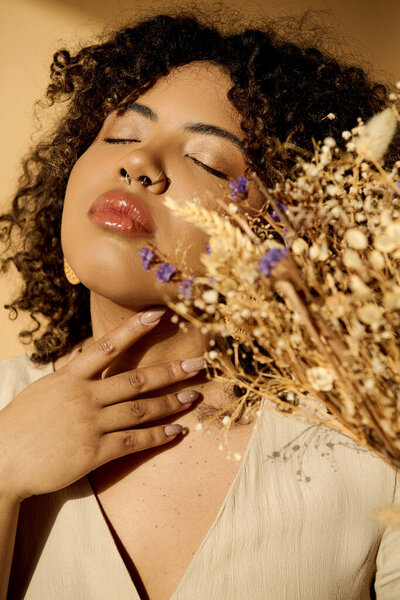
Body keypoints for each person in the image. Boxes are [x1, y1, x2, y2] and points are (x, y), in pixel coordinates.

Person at [0, 12, 399, 600]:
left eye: (209, 160)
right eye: (119, 136)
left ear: (283, 237)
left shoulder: (367, 449)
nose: (138, 164)